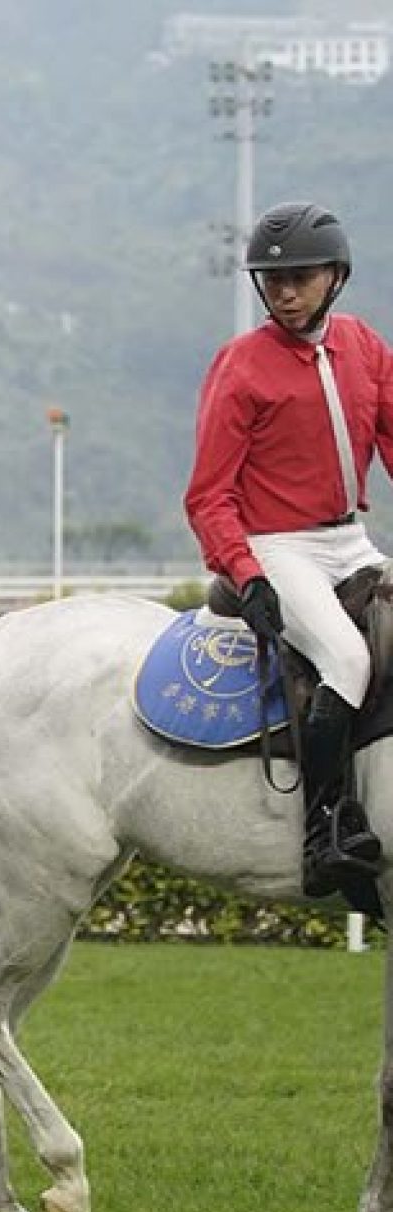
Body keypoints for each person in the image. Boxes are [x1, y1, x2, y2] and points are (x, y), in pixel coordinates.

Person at [185, 199, 393, 897]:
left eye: (300, 277)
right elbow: (207, 495)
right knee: (349, 656)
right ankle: (323, 826)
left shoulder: (365, 345)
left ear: (336, 276)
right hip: (280, 547)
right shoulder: (240, 366)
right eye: (272, 280)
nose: (284, 291)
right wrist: (245, 571)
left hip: (350, 540)